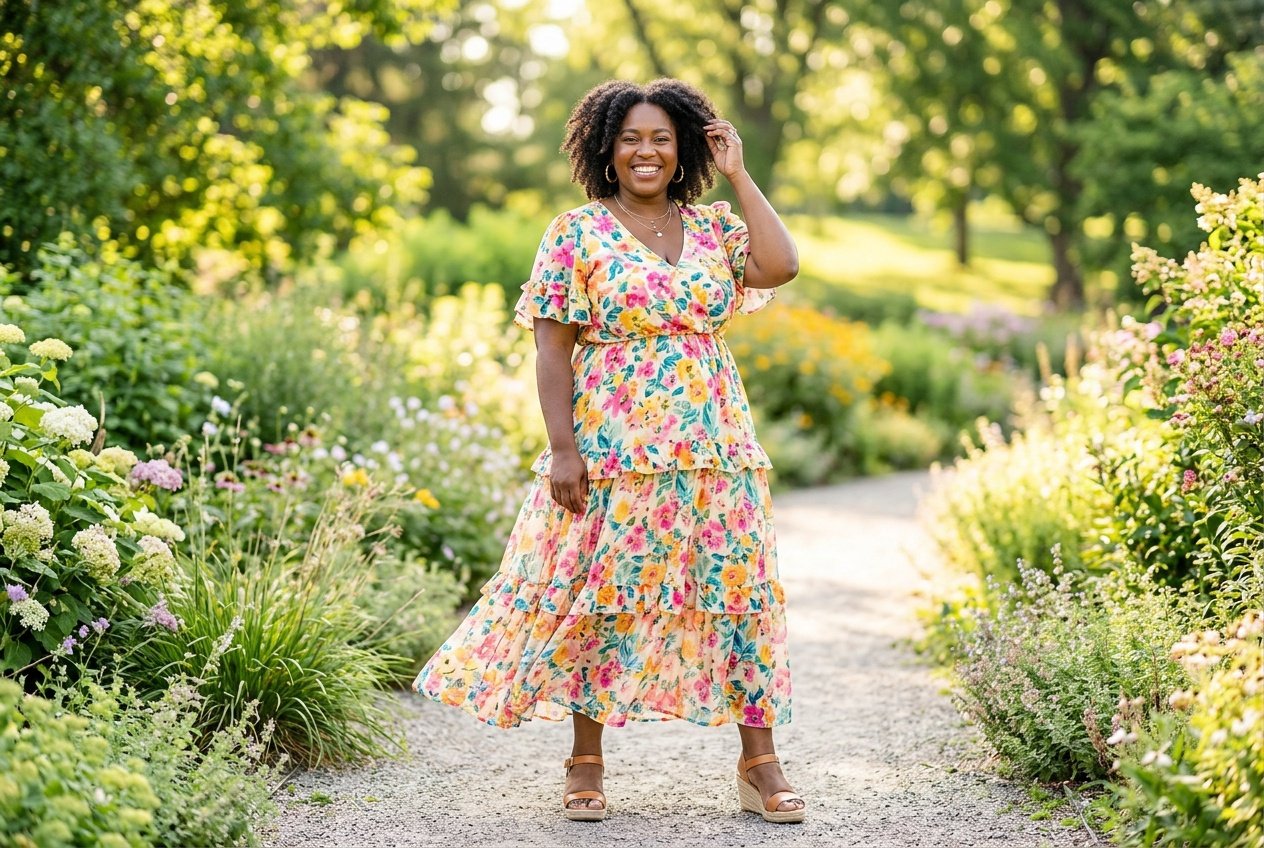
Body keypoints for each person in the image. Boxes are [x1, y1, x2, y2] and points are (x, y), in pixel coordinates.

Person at [413, 78, 804, 824]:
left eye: (660, 137)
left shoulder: (717, 229)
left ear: (684, 146)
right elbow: (552, 351)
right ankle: (584, 760)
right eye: (630, 138)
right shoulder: (576, 233)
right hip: (613, 447)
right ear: (606, 149)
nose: (646, 151)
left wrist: (741, 175)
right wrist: (563, 450)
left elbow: (780, 265)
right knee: (603, 595)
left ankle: (760, 763)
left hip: (715, 447)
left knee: (739, 594)